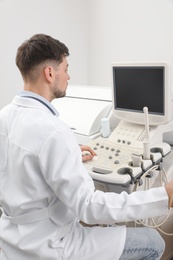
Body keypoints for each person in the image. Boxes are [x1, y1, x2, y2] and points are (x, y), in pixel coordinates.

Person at [0, 33, 173, 260]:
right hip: (53, 246)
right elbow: (90, 208)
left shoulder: (5, 116)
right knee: (153, 241)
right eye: (66, 68)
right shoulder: (54, 131)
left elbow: (22, 164)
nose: (69, 76)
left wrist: (68, 157)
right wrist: (163, 196)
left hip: (12, 241)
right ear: (50, 73)